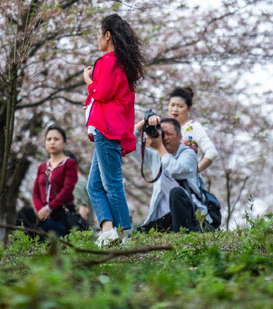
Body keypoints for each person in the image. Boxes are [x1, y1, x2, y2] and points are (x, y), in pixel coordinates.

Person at [84, 14, 145, 245]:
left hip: (106, 129)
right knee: (94, 185)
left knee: (112, 183)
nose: (97, 39)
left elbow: (102, 93)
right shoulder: (123, 65)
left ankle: (124, 235)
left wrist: (88, 81)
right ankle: (109, 230)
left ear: (107, 35)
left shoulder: (109, 62)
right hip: (110, 128)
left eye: (99, 34)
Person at [134, 115, 207, 233]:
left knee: (176, 193)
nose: (165, 137)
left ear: (180, 136)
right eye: (162, 133)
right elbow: (128, 143)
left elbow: (174, 170)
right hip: (164, 218)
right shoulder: (155, 156)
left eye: (169, 134)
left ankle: (182, 239)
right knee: (133, 236)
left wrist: (159, 147)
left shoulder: (188, 154)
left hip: (189, 215)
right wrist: (145, 121)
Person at [20, 126, 81, 238]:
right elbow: (35, 193)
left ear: (64, 143)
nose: (52, 142)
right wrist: (41, 210)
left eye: (56, 139)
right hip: (43, 215)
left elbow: (67, 189)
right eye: (49, 139)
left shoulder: (69, 164)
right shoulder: (42, 166)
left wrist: (49, 208)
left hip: (61, 214)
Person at [167, 86, 218, 173]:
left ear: (189, 108)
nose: (175, 109)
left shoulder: (193, 127)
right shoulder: (164, 128)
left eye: (180, 106)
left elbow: (212, 152)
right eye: (172, 105)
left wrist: (194, 172)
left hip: (188, 184)